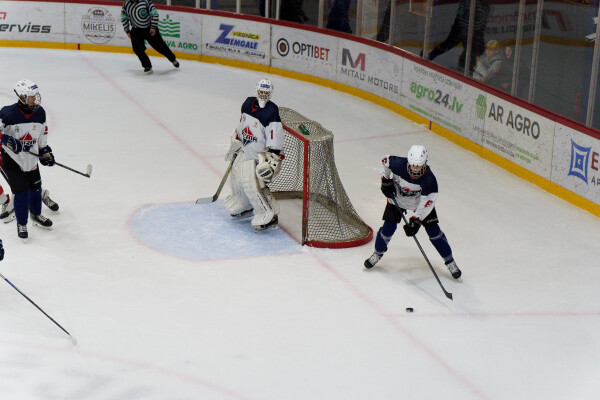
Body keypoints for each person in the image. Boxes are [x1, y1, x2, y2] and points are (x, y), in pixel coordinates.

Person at [364, 145, 462, 279]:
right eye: (413, 165)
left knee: (434, 233)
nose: (415, 169)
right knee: (387, 229)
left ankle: (450, 262)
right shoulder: (398, 164)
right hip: (397, 199)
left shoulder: (430, 180)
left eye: (418, 166)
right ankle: (377, 254)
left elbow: (427, 202)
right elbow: (383, 161)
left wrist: (416, 220)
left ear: (425, 163)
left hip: (419, 203)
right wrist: (385, 180)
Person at [223, 78, 284, 231]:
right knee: (237, 179)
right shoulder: (247, 104)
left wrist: (272, 158)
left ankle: (269, 214)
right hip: (246, 150)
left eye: (266, 93)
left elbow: (275, 136)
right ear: (257, 91)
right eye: (261, 92)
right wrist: (237, 140)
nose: (263, 95)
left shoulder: (271, 111)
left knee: (254, 186)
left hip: (259, 157)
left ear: (270, 93)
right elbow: (242, 124)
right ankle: (244, 206)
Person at [0, 79, 55, 240]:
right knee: (21, 193)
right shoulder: (7, 113)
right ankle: (21, 223)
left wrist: (45, 152)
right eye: (31, 96)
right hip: (12, 161)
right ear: (22, 97)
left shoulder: (40, 113)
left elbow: (42, 136)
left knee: (36, 190)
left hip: (31, 161)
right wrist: (6, 140)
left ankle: (36, 215)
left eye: (35, 95)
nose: (34, 99)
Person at [426, 0, 490, 74]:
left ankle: (464, 67)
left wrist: (473, 31)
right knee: (447, 45)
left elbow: (481, 23)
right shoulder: (468, 2)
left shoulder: (485, 7)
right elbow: (461, 12)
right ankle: (429, 56)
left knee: (477, 49)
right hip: (460, 28)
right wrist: (463, 28)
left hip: (473, 32)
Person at [121, 0, 179, 74]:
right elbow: (124, 17)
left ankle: (172, 59)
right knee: (137, 48)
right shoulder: (126, 4)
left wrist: (153, 27)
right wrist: (127, 31)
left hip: (149, 29)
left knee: (160, 46)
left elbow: (154, 14)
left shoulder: (146, 1)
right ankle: (147, 66)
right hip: (136, 30)